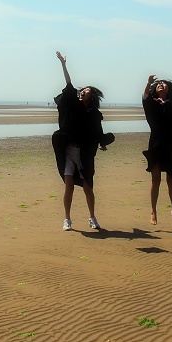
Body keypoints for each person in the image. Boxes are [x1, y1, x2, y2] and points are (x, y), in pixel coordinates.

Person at [52, 51, 114, 231]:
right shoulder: (72, 105)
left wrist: (102, 142)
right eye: (83, 90)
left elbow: (97, 130)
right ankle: (67, 220)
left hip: (84, 152)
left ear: (91, 97)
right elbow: (69, 85)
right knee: (69, 185)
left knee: (88, 186)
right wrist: (63, 64)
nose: (82, 92)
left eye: (86, 91)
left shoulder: (93, 114)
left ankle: (92, 217)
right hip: (68, 150)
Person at [142, 74, 172, 226]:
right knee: (155, 179)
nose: (161, 85)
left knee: (171, 180)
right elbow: (144, 97)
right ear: (154, 89)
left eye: (164, 84)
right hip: (156, 144)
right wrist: (148, 83)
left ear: (169, 89)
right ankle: (153, 211)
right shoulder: (152, 104)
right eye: (158, 84)